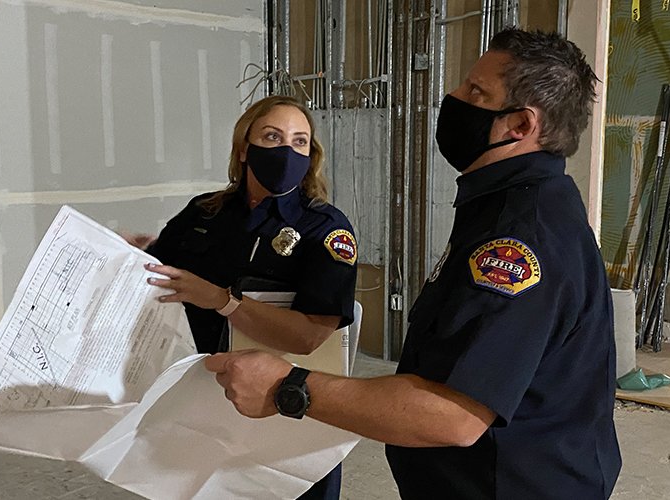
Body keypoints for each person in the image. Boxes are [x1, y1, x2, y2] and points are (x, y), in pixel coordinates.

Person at [204, 28, 622, 499]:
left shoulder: (518, 238)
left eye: (475, 92)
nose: (453, 98)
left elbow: (454, 415)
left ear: (520, 126)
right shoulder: (515, 204)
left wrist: (287, 385)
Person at [140, 95, 358, 499]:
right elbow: (157, 269)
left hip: (283, 405)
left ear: (311, 155)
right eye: (272, 136)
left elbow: (310, 336)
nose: (286, 150)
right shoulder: (205, 212)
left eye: (299, 142)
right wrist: (130, 252)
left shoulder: (324, 230)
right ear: (244, 148)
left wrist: (222, 300)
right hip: (203, 397)